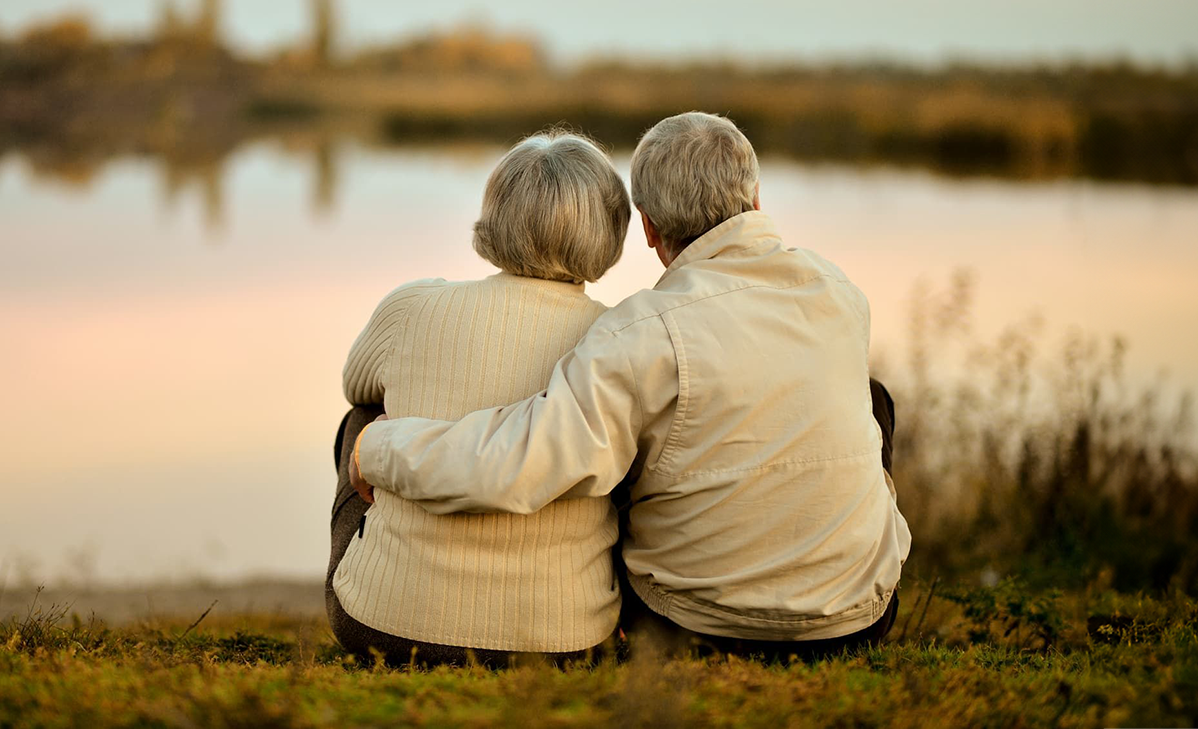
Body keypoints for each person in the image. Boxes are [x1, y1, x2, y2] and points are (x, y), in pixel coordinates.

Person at [351, 112, 911, 660]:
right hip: (857, 619)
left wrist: (376, 445)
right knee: (872, 398)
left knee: (621, 443)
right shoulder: (841, 293)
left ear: (646, 227)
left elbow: (524, 460)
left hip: (694, 625)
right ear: (757, 198)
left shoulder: (642, 332)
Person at [327, 130, 631, 667]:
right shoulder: (619, 338)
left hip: (384, 626)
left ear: (494, 216)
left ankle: (389, 571)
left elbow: (357, 385)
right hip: (566, 638)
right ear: (611, 229)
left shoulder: (412, 306)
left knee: (363, 419)